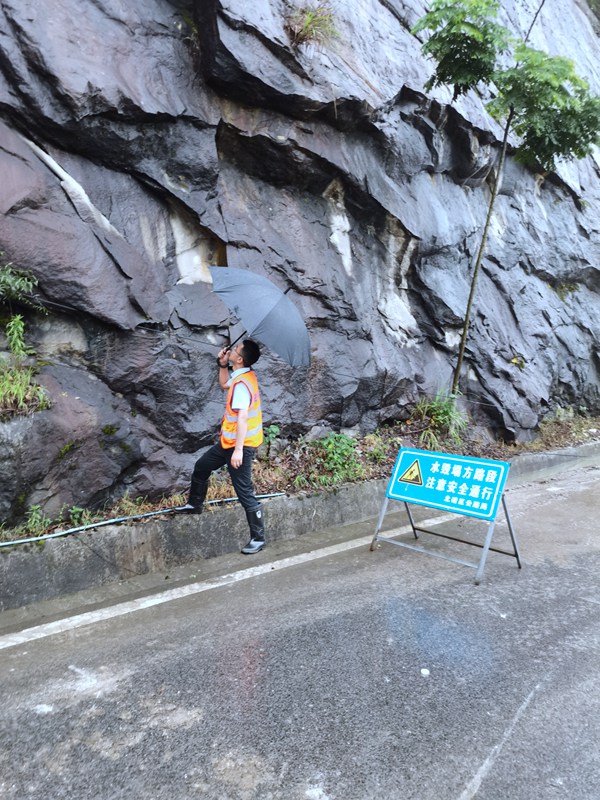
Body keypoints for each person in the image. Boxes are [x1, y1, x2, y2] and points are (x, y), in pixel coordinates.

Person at [179, 339, 266, 554]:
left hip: (240, 447)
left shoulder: (243, 386)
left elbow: (243, 418)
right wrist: (222, 365)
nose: (232, 349)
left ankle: (258, 538)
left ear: (239, 359)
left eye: (235, 350)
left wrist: (237, 451)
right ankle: (195, 504)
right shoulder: (242, 376)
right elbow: (224, 384)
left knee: (244, 490)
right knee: (202, 466)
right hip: (227, 443)